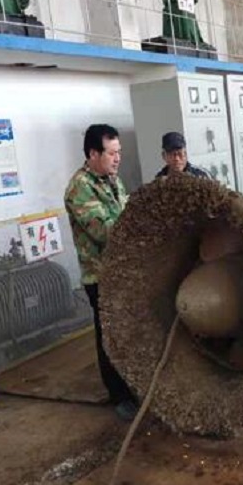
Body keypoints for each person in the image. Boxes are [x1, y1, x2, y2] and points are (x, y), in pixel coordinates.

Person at [64, 124, 138, 422]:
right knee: (110, 336)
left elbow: (127, 213)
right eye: (111, 153)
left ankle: (134, 384)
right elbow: (107, 232)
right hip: (101, 277)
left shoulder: (112, 181)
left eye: (119, 152)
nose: (117, 158)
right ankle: (119, 395)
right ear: (93, 153)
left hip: (124, 272)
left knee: (130, 332)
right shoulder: (80, 188)